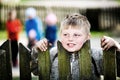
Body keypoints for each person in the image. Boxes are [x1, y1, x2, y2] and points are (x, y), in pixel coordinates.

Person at [30, 13, 120, 79]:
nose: (70, 39)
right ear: (60, 35)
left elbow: (118, 70)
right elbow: (36, 71)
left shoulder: (95, 55)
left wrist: (118, 47)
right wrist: (37, 50)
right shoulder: (53, 53)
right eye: (66, 34)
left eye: (76, 35)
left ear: (87, 37)